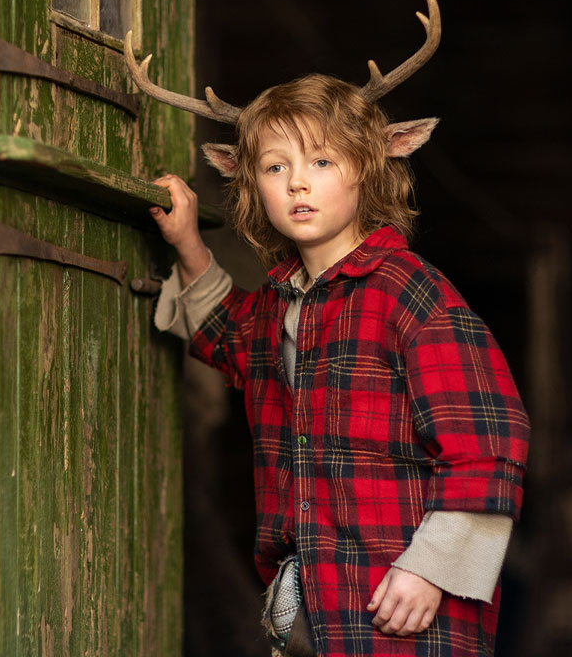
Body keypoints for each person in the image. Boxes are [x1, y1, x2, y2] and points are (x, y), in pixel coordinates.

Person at [146, 73, 531, 657]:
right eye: (275, 167)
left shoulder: (410, 293)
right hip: (313, 604)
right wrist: (186, 242)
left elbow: (491, 441)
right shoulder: (280, 302)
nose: (297, 182)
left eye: (322, 161)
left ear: (370, 165)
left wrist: (431, 570)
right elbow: (226, 336)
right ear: (247, 180)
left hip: (406, 604)